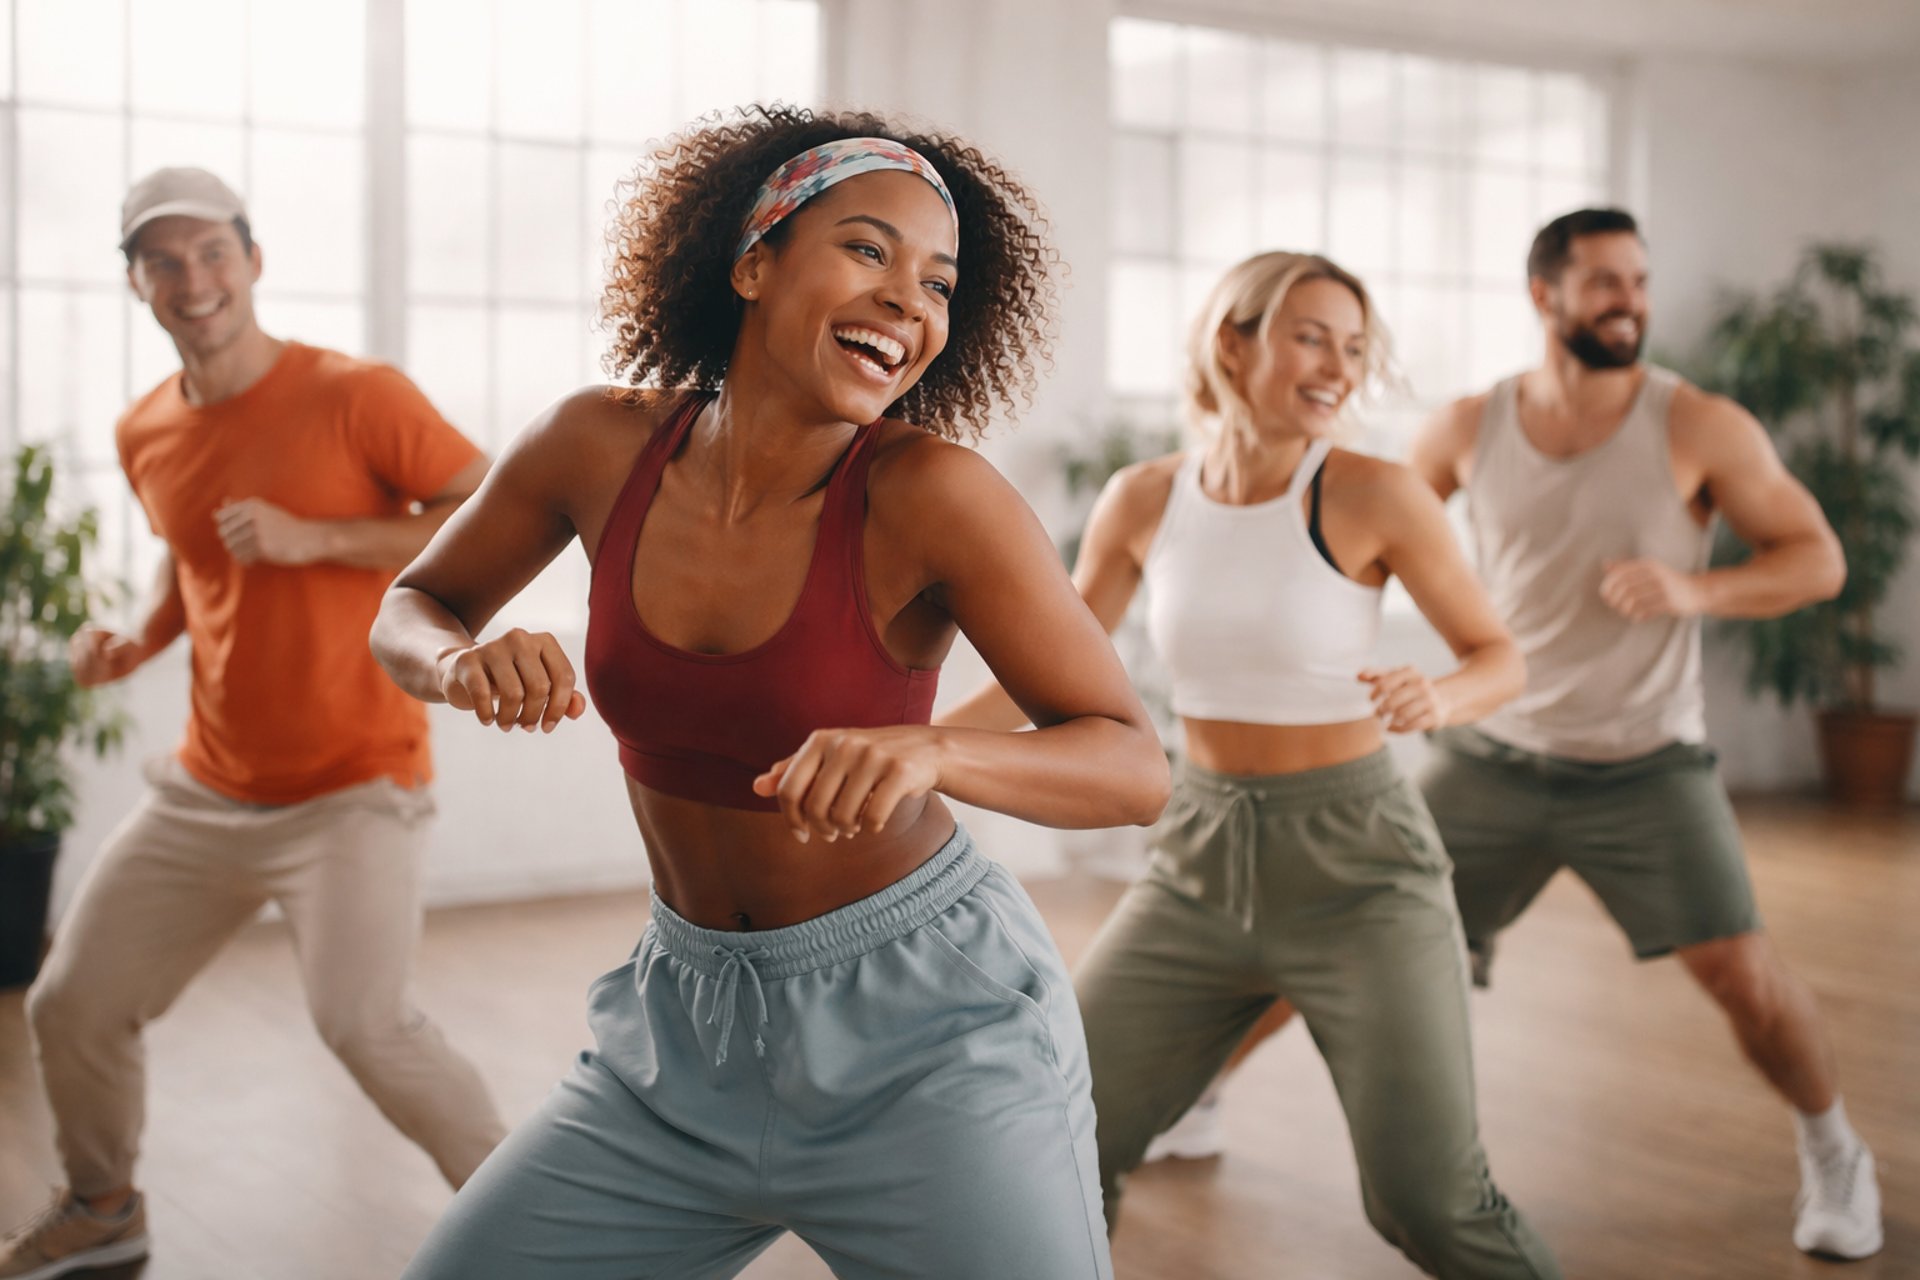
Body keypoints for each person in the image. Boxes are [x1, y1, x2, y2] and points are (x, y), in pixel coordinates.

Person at [371, 106, 1169, 1280]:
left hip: (929, 1037)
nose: (910, 300)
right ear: (753, 261)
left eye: (940, 283)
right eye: (867, 248)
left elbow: (1131, 763)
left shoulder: (934, 494)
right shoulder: (595, 444)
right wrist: (454, 659)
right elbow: (412, 603)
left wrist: (938, 755)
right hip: (682, 1034)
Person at [942, 250, 1561, 1278]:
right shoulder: (1145, 498)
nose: (1337, 365)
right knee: (1058, 1137)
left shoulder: (1375, 492)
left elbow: (1500, 658)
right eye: (1311, 335)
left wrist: (1438, 696)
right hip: (1198, 857)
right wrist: (912, 745)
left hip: (1360, 867)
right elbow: (1043, 666)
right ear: (1236, 339)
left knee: (1428, 1202)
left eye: (1354, 347)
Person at [1, 167, 502, 1280]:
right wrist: (135, 640)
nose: (194, 278)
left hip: (356, 785)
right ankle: (104, 1206)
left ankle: (551, 1230)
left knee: (369, 1028)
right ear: (136, 281)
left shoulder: (355, 393)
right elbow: (197, 566)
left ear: (254, 260)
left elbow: (489, 509)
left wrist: (319, 537)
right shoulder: (146, 431)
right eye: (164, 259)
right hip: (209, 788)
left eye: (213, 251)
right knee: (74, 1002)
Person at [1408, 207, 1878, 1261]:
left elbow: (1818, 559)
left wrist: (1695, 586)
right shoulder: (1462, 427)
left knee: (1745, 976)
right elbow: (1374, 538)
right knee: (1357, 927)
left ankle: (1836, 1149)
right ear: (1546, 295)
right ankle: (1202, 1092)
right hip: (1490, 754)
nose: (1631, 301)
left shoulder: (1699, 424)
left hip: (1645, 763)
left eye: (1639, 281)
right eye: (1606, 282)